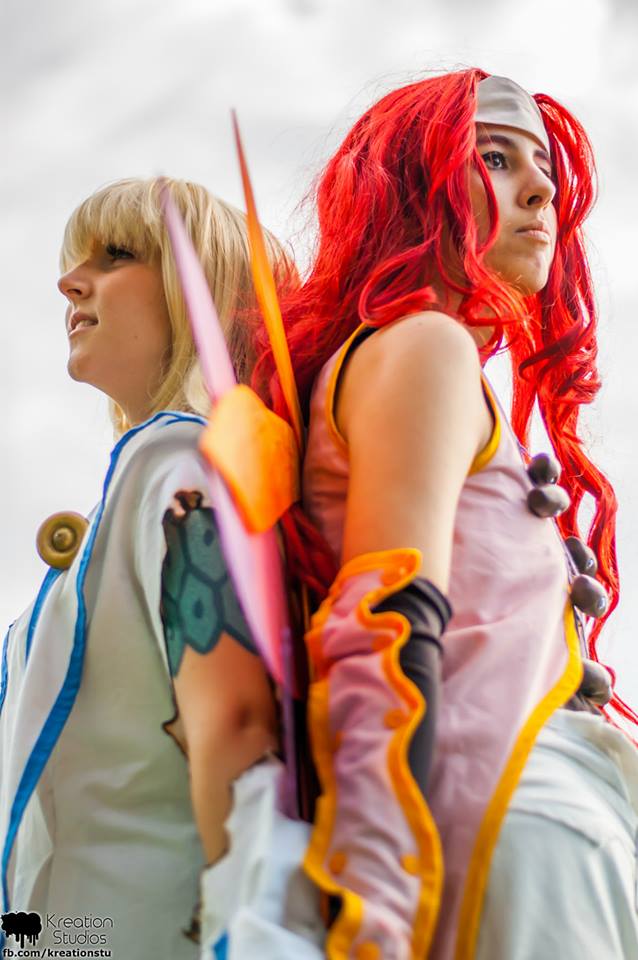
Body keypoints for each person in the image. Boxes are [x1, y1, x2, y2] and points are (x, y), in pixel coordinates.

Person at [252, 71, 638, 959]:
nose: (540, 192)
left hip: (536, 838)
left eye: (544, 170)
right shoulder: (424, 344)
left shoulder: (423, 358)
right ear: (407, 185)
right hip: (516, 841)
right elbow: (387, 626)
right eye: (494, 158)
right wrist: (379, 911)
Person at [0, 177, 323, 960]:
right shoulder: (155, 479)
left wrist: (258, 940)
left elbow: (235, 728)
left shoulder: (181, 464)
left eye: (116, 255)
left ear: (212, 298)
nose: (70, 282)